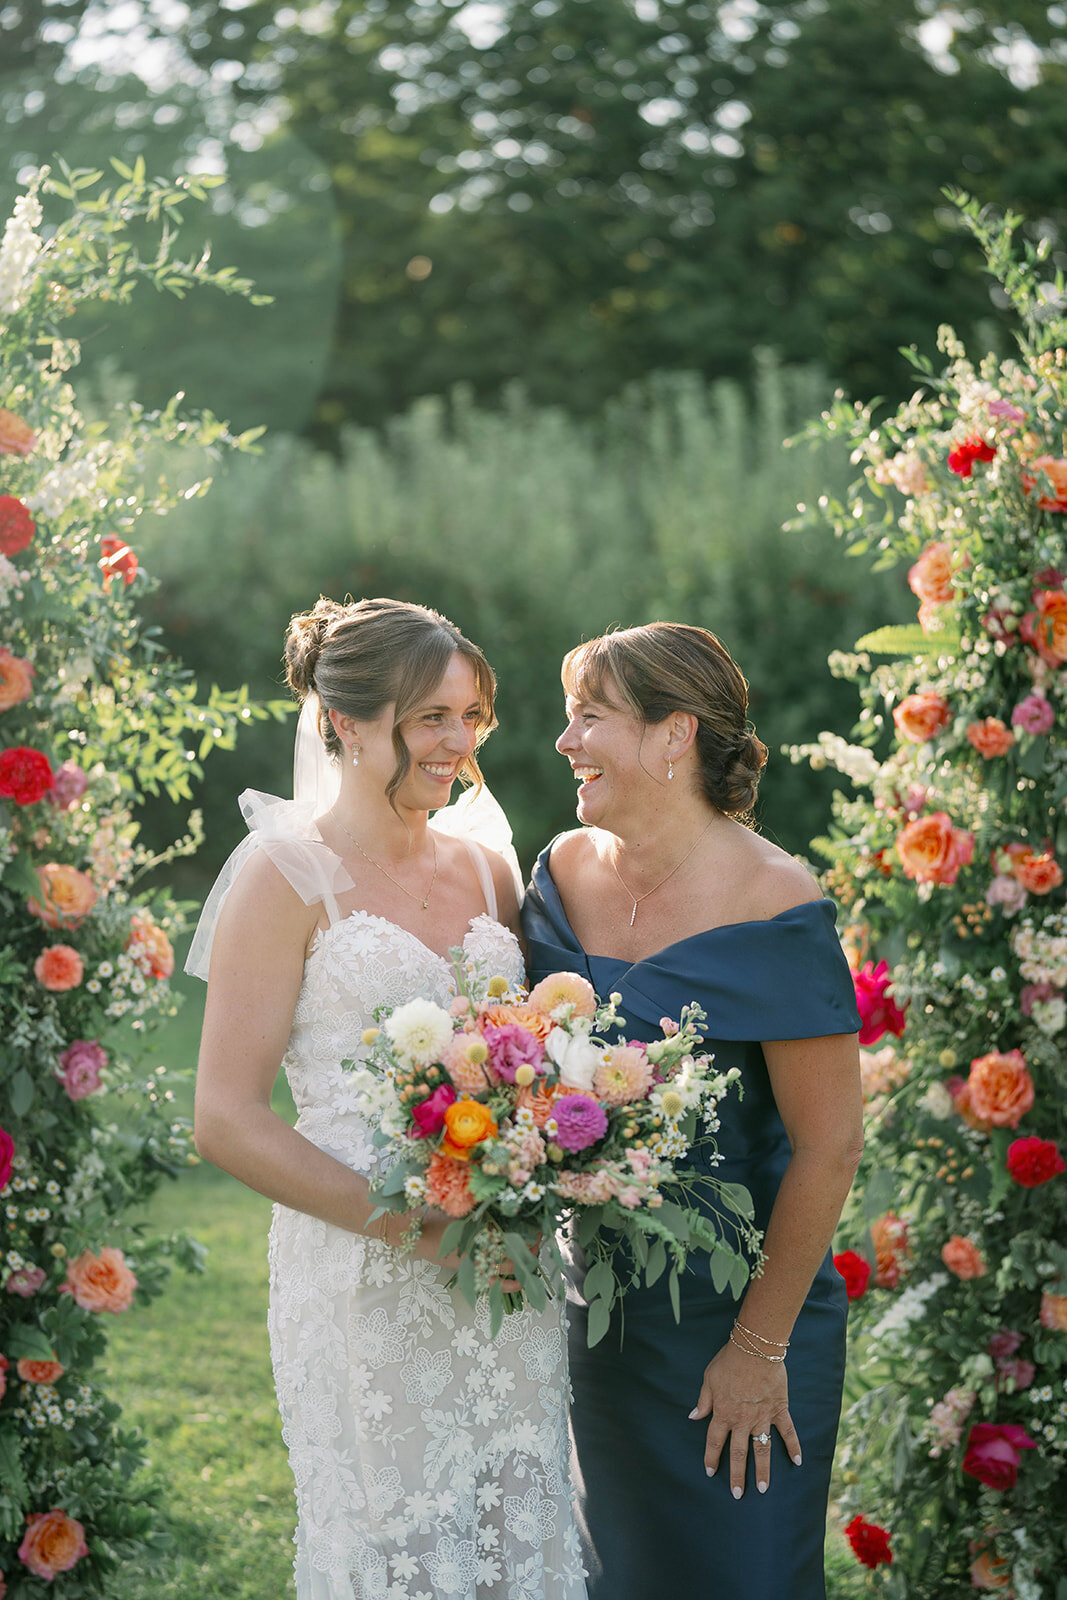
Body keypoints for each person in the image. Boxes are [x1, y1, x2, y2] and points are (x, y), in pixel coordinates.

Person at [189, 596, 586, 1600]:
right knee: (393, 1545)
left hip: (505, 1261)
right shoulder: (284, 879)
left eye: (470, 715)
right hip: (363, 1267)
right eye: (431, 718)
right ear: (348, 722)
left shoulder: (492, 870)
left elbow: (527, 1052)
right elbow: (225, 1116)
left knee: (514, 1523)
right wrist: (412, 1226)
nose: (457, 742)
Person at [521, 622, 863, 1600]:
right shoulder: (560, 873)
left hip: (743, 1311)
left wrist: (757, 1351)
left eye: (589, 717)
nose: (563, 740)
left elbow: (828, 1145)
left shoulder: (775, 899)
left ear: (673, 737)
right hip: (600, 1313)